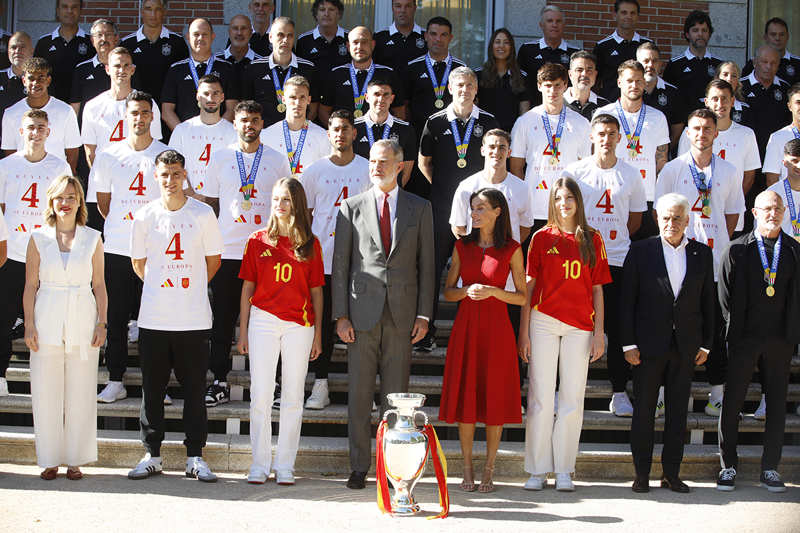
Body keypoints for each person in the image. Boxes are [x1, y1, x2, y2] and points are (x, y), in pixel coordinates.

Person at [332, 139, 434, 490]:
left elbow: (427, 267)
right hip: (361, 315)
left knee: (395, 399)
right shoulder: (351, 207)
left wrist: (424, 315)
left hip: (403, 316)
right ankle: (359, 465)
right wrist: (340, 316)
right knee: (359, 396)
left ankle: (394, 469)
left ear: (400, 165)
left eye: (384, 161)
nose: (376, 167)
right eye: (373, 161)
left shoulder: (419, 208)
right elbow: (341, 266)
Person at [127, 149, 223, 483]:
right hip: (154, 318)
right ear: (156, 176)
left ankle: (195, 456)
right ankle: (152, 454)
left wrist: (188, 285)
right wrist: (162, 286)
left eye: (176, 173)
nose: (170, 180)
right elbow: (139, 264)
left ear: (185, 175)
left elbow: (213, 262)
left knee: (195, 391)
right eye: (164, 174)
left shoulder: (202, 214)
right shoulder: (144, 216)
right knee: (151, 391)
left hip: (193, 319)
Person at [519, 177, 611, 492]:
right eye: (558, 198)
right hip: (543, 320)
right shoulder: (541, 238)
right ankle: (536, 469)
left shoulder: (593, 238)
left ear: (578, 201)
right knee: (540, 398)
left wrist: (600, 332)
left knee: (572, 398)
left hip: (580, 326)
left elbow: (597, 290)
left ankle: (564, 469)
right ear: (552, 203)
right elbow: (528, 289)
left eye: (569, 197)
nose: (564, 204)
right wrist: (524, 332)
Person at [621, 192, 715, 493]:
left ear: (687, 220)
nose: (671, 223)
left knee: (677, 414)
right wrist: (628, 344)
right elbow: (627, 302)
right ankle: (641, 474)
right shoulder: (640, 251)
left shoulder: (702, 253)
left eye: (677, 218)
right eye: (665, 217)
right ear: (656, 219)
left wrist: (706, 345)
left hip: (685, 347)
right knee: (645, 411)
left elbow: (708, 303)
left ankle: (672, 475)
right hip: (647, 347)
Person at [656, 108, 745, 416]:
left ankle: (717, 393)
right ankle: (663, 393)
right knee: (671, 324)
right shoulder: (672, 170)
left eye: (708, 128)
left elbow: (732, 217)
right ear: (688, 133)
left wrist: (713, 240)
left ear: (715, 133)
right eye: (696, 128)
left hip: (716, 259)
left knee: (715, 326)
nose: (702, 134)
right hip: (679, 255)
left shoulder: (730, 171)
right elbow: (661, 214)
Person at [201, 101, 290, 406]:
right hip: (228, 251)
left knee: (267, 319)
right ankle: (219, 380)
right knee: (223, 319)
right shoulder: (221, 157)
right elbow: (211, 204)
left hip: (265, 252)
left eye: (254, 120)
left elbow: (285, 208)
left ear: (262, 123)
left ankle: (271, 383)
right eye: (243, 120)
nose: (249, 125)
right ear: (234, 124)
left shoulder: (278, 160)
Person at [238, 177, 324, 485]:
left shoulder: (310, 244)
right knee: (260, 394)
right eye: (276, 199)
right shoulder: (257, 240)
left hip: (299, 324)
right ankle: (259, 463)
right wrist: (243, 329)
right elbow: (248, 286)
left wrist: (317, 333)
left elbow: (316, 292)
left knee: (292, 396)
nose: (280, 205)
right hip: (262, 320)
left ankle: (285, 464)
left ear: (297, 204)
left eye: (286, 199)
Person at [439, 188, 525, 493]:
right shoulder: (462, 246)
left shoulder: (512, 248)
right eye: (472, 209)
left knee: (494, 398)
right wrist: (465, 291)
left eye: (480, 209)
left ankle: (489, 468)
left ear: (497, 211)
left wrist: (493, 292)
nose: (474, 214)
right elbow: (448, 292)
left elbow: (523, 297)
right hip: (467, 327)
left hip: (498, 328)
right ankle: (466, 468)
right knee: (467, 397)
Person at [22, 174, 107, 481]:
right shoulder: (38, 238)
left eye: (71, 197)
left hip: (83, 316)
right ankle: (48, 459)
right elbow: (31, 285)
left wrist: (102, 323)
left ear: (80, 200)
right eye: (60, 197)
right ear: (51, 201)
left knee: (81, 390)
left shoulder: (93, 238)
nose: (65, 203)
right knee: (46, 390)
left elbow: (99, 284)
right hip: (47, 314)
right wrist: (29, 324)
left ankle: (75, 459)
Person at [562, 113, 647, 417]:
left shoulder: (631, 174)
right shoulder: (575, 171)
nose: (606, 139)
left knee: (617, 326)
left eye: (612, 134)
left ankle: (619, 391)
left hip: (617, 259)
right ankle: (570, 389)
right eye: (601, 133)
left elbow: (636, 220)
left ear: (619, 138)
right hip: (580, 261)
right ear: (592, 136)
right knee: (575, 324)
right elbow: (565, 214)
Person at [717, 190, 800, 494]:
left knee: (777, 404)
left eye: (778, 208)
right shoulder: (738, 249)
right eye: (767, 208)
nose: (773, 213)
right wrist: (733, 333)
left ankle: (770, 468)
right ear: (754, 212)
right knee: (732, 401)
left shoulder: (793, 250)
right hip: (744, 339)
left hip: (780, 340)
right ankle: (728, 466)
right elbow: (724, 298)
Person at [90, 91, 168, 404]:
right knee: (117, 317)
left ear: (153, 117)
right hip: (119, 248)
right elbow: (104, 204)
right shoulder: (108, 155)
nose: (139, 118)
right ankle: (115, 379)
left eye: (145, 112)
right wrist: (128, 229)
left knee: (154, 319)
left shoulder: (165, 153)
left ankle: (156, 384)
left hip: (156, 251)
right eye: (134, 112)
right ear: (126, 116)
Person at [418, 66, 498, 352]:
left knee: (479, 270)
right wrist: (445, 191)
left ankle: (475, 335)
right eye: (459, 85)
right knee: (433, 266)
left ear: (476, 90)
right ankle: (426, 331)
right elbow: (423, 162)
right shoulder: (436, 121)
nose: (465, 90)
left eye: (470, 85)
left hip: (479, 210)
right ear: (450, 88)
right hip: (441, 208)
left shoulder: (488, 121)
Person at [0, 109, 72, 396]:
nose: (35, 132)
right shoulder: (6, 166)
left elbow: (67, 211)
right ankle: (1, 376)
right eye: (30, 127)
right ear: (21, 131)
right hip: (11, 254)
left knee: (48, 320)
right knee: (4, 318)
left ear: (48, 131)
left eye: (40, 127)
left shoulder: (59, 166)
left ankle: (49, 380)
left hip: (46, 255)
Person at [302, 110, 370, 409]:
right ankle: (321, 384)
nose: (340, 134)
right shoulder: (314, 171)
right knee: (324, 324)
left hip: (360, 264)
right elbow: (304, 218)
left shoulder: (368, 169)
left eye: (346, 129)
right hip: (324, 261)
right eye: (335, 130)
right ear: (327, 135)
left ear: (354, 133)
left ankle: (363, 388)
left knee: (362, 325)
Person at [594, 59, 670, 244]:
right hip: (612, 194)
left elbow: (661, 162)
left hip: (647, 197)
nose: (634, 85)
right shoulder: (604, 114)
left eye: (638, 80)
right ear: (619, 82)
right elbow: (595, 158)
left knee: (644, 256)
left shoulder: (657, 117)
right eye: (629, 80)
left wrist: (659, 199)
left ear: (644, 83)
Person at [510, 62, 591, 228]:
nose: (553, 91)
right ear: (539, 86)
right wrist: (522, 200)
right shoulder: (525, 121)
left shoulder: (581, 123)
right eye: (547, 86)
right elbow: (516, 167)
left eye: (557, 85)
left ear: (565, 85)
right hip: (534, 207)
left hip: (567, 208)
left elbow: (586, 168)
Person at [677, 79, 760, 234]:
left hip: (730, 215)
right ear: (707, 101)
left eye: (724, 98)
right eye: (715, 99)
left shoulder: (746, 134)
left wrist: (727, 202)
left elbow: (748, 177)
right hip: (696, 216)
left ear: (733, 101)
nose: (720, 103)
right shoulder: (690, 133)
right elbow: (682, 171)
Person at [81, 48, 162, 167]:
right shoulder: (92, 106)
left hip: (138, 173)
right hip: (106, 172)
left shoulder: (147, 103)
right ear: (107, 69)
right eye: (117, 66)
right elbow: (90, 151)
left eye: (126, 65)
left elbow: (154, 145)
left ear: (132, 70)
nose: (121, 70)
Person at [1, 57, 81, 172]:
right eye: (31, 78)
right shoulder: (10, 113)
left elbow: (72, 154)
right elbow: (10, 155)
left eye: (41, 78)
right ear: (24, 81)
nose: (35, 83)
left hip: (55, 181)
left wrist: (65, 183)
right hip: (23, 179)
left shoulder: (66, 111)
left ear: (48, 81)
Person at [161, 18, 240, 129]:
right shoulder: (176, 70)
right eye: (196, 34)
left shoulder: (227, 68)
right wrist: (183, 134)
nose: (200, 38)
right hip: (186, 139)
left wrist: (216, 132)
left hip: (218, 139)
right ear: (188, 37)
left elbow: (232, 108)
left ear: (213, 37)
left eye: (205, 34)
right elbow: (167, 111)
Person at [318, 26, 405, 127]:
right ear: (348, 46)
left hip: (378, 139)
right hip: (344, 140)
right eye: (355, 42)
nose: (359, 47)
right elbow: (323, 111)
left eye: (364, 42)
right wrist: (336, 133)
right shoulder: (336, 74)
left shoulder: (388, 74)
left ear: (372, 45)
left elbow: (399, 112)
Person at [242, 17, 319, 128]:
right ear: (271, 37)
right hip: (264, 134)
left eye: (290, 35)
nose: (285, 40)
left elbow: (313, 108)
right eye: (280, 35)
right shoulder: (254, 68)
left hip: (298, 135)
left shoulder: (308, 68)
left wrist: (301, 130)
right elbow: (247, 107)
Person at [168, 75, 237, 197]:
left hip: (222, 201)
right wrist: (192, 195)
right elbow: (172, 167)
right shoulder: (182, 130)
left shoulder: (233, 132)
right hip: (187, 200)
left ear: (222, 97)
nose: (210, 98)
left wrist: (216, 200)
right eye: (206, 93)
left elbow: (234, 171)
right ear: (198, 97)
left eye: (215, 93)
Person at [404, 17, 466, 137]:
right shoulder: (413, 67)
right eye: (433, 34)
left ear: (450, 38)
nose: (438, 39)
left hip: (453, 134)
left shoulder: (461, 69)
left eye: (443, 35)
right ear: (426, 36)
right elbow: (404, 105)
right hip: (419, 133)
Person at [120, 0, 189, 106]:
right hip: (137, 109)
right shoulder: (127, 44)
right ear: (141, 11)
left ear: (164, 11)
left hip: (167, 109)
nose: (153, 14)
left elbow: (183, 78)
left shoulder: (177, 42)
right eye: (148, 9)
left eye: (158, 9)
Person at [261, 75, 329, 178]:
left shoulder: (323, 136)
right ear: (283, 99)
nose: (297, 103)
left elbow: (326, 174)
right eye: (292, 97)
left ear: (309, 100)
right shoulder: (266, 135)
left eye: (302, 97)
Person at [352, 79, 416, 187]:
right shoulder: (353, 127)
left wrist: (389, 193)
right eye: (376, 94)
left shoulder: (405, 129)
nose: (381, 99)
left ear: (392, 99)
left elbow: (406, 172)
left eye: (386, 95)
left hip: (390, 196)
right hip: (359, 192)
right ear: (367, 97)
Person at [516, 5, 579, 106]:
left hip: (566, 112)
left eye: (558, 21)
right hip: (534, 111)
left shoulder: (575, 53)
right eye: (550, 21)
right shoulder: (527, 50)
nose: (554, 25)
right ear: (541, 25)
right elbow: (521, 85)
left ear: (563, 25)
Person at [33, 0, 94, 102]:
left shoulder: (91, 43)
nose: (70, 11)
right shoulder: (44, 43)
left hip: (81, 106)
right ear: (58, 11)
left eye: (74, 7)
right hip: (50, 106)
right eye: (65, 7)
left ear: (80, 11)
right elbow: (35, 75)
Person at [740, 45, 792, 164]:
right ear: (754, 62)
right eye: (764, 62)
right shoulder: (740, 87)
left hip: (778, 154)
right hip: (748, 154)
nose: (769, 67)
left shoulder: (785, 89)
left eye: (773, 63)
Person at [663, 10, 722, 112]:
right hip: (684, 123)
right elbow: (668, 97)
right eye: (695, 30)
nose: (700, 34)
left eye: (704, 30)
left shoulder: (719, 65)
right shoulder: (675, 65)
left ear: (709, 34)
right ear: (687, 34)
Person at [593, 0, 652, 100]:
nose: (628, 16)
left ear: (638, 16)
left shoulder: (647, 45)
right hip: (610, 104)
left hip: (641, 105)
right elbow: (595, 81)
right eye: (624, 12)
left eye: (632, 13)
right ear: (615, 15)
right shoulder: (603, 46)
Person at [475, 28, 531, 133]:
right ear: (491, 46)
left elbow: (524, 114)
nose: (501, 46)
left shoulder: (522, 77)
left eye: (506, 42)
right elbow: (473, 108)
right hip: (484, 134)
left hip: (511, 135)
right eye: (497, 42)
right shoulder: (478, 75)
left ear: (511, 48)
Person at [636, 42, 688, 150]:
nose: (650, 65)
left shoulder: (673, 93)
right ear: (637, 64)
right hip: (631, 152)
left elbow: (677, 130)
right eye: (646, 61)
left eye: (654, 61)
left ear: (660, 64)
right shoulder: (627, 91)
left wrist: (662, 151)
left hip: (660, 156)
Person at [69, 19, 118, 120]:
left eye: (108, 34)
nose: (104, 39)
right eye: (99, 35)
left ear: (116, 39)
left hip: (119, 130)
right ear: (92, 40)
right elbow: (75, 107)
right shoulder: (81, 70)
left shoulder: (127, 68)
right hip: (89, 131)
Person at [295, 0, 349, 76]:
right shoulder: (304, 40)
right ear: (316, 14)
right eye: (322, 10)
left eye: (331, 10)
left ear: (339, 14)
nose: (326, 14)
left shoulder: (350, 38)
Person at [742, 17, 800, 87]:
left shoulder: (797, 63)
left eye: (781, 34)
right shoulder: (753, 63)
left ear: (787, 37)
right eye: (773, 34)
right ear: (765, 37)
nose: (777, 38)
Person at [373, 0, 426, 73]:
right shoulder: (379, 37)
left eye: (407, 6)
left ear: (414, 8)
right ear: (392, 8)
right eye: (398, 6)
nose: (403, 10)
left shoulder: (427, 36)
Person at [763, 83, 800, 185]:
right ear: (790, 106)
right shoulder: (777, 138)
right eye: (798, 102)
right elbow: (771, 180)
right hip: (787, 200)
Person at [563, 51, 609, 122]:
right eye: (579, 70)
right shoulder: (557, 103)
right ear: (570, 74)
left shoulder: (606, 107)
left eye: (589, 70)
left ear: (595, 74)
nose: (584, 74)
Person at [0, 32, 34, 126]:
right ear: (8, 51)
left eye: (22, 47)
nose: (17, 51)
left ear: (32, 51)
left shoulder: (40, 81)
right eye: (13, 47)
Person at [715, 61, 754, 128]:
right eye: (725, 74)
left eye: (734, 76)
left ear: (738, 82)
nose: (729, 79)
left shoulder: (745, 109)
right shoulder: (704, 105)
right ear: (717, 78)